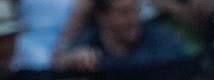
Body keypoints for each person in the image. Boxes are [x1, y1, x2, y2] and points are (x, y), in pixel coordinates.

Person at [56, 0, 185, 68]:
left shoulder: (163, 44)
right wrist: (70, 66)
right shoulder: (84, 47)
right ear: (102, 17)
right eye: (124, 12)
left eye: (135, 11)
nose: (134, 19)